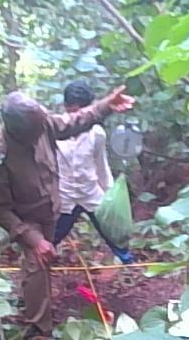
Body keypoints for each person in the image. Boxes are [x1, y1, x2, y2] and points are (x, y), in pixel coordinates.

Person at [0, 86, 134, 340]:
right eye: (36, 129)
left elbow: (74, 122)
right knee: (37, 263)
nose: (42, 130)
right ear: (20, 132)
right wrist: (33, 240)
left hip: (53, 206)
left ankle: (34, 300)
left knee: (45, 262)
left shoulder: (41, 123)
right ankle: (38, 333)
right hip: (28, 219)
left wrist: (107, 104)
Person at [53, 81, 135, 264]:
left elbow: (100, 164)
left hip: (91, 192)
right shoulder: (55, 131)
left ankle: (129, 265)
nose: (78, 116)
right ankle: (38, 264)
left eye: (83, 110)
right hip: (64, 194)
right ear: (65, 107)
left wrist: (109, 194)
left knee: (112, 232)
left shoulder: (97, 133)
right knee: (52, 237)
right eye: (74, 110)